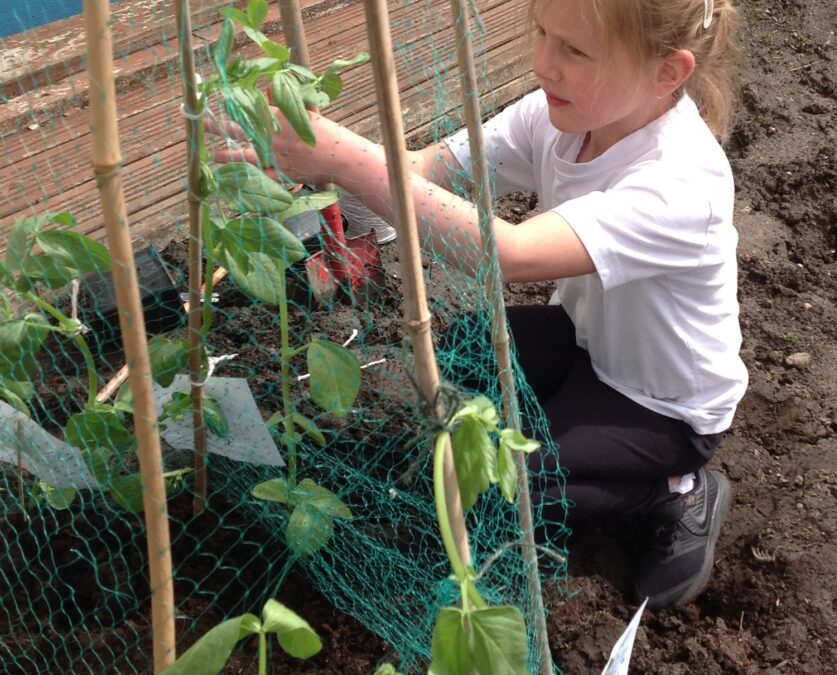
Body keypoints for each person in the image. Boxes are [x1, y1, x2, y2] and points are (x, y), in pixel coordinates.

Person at [214, 0, 747, 610]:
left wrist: (340, 158)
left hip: (665, 407)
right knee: (454, 364)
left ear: (668, 73)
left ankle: (677, 490)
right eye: (542, 33)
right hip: (585, 342)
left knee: (500, 489)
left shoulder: (683, 183)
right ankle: (573, 451)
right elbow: (424, 171)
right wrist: (306, 149)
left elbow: (509, 253)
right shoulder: (561, 115)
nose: (544, 64)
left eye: (574, 51)